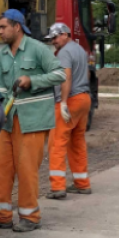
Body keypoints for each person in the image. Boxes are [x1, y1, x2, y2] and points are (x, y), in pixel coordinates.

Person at [0, 9, 65, 232]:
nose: (0, 32)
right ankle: (1, 216)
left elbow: (60, 74)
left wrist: (31, 80)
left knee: (26, 170)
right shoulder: (1, 56)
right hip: (7, 121)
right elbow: (0, 90)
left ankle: (30, 217)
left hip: (32, 121)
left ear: (17, 27)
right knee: (0, 168)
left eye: (3, 27)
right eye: (0, 28)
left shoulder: (38, 49)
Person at [44, 23, 92, 200]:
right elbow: (86, 74)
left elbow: (66, 76)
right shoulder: (79, 50)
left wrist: (63, 102)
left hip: (70, 100)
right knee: (77, 141)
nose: (54, 42)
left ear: (65, 34)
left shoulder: (64, 53)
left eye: (55, 38)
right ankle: (82, 184)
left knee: (57, 142)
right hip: (84, 98)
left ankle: (57, 187)